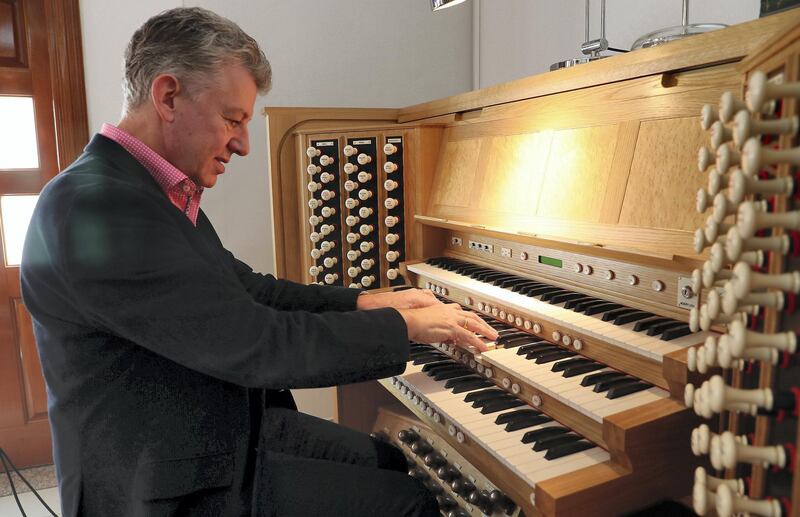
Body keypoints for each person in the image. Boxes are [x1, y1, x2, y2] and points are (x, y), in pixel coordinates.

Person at [20, 7, 497, 517]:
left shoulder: (144, 190)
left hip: (210, 432)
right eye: (233, 119)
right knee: (407, 502)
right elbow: (257, 343)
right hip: (164, 479)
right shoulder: (102, 208)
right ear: (168, 96)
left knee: (387, 459)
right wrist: (404, 328)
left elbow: (248, 289)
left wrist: (366, 299)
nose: (244, 144)